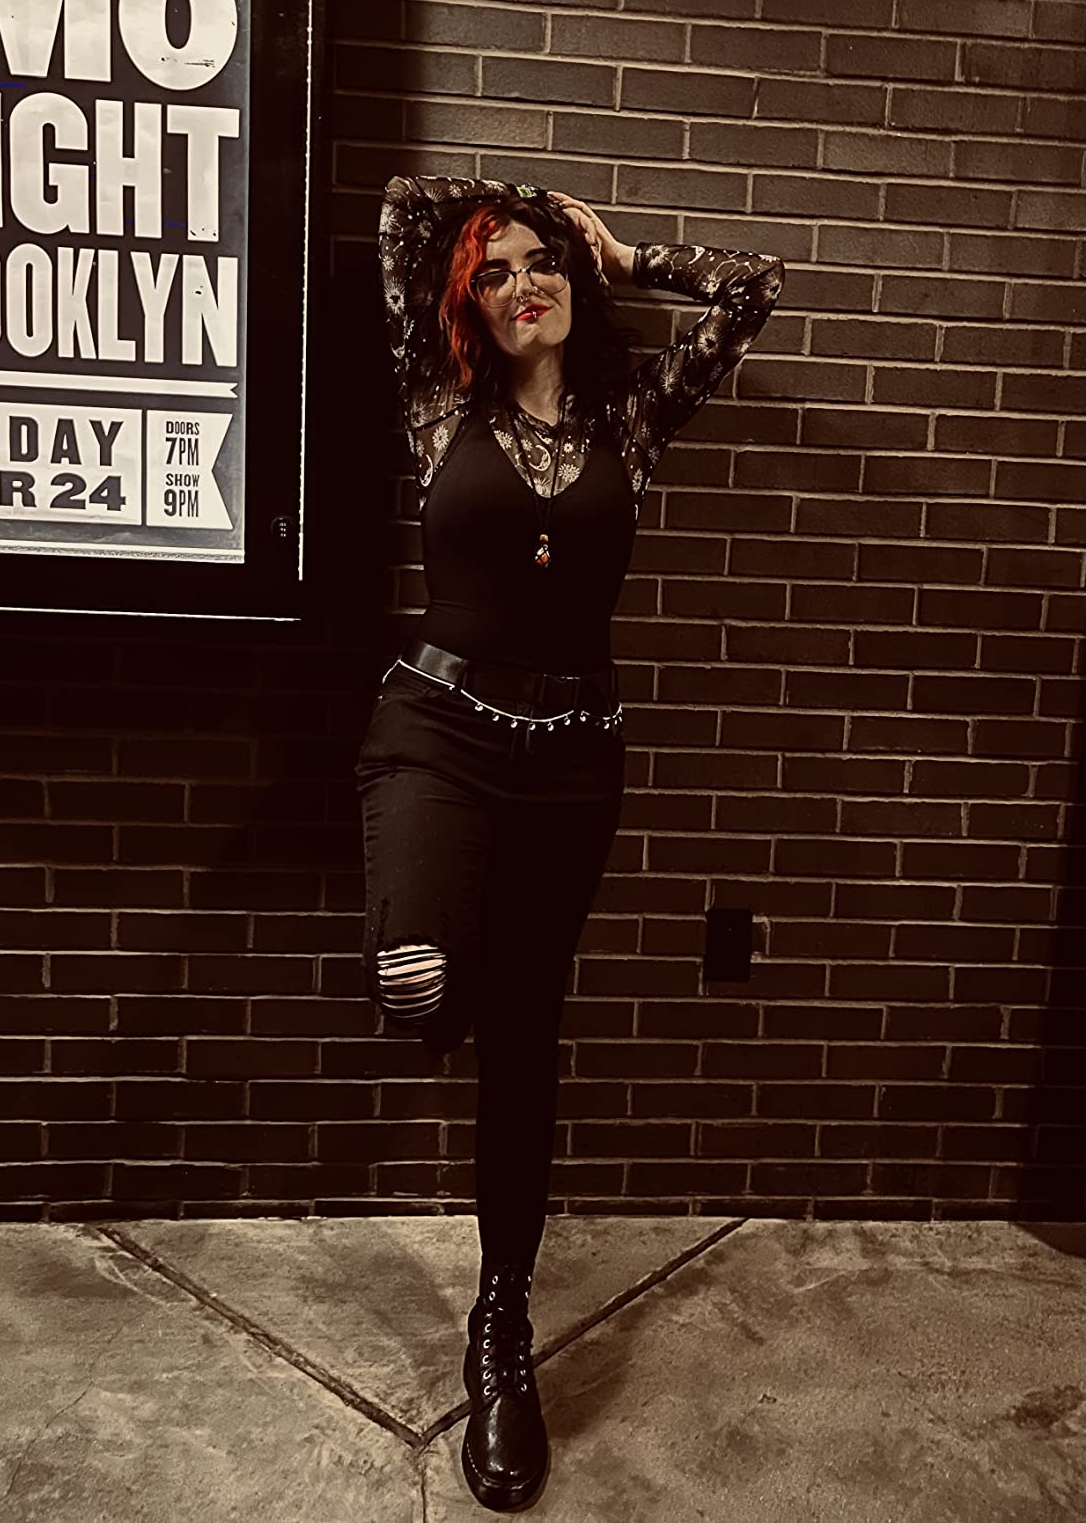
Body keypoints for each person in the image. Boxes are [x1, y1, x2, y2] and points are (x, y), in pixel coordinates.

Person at [354, 174, 784, 1512]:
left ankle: (502, 1329)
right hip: (437, 732)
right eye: (494, 271)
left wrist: (627, 252)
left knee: (526, 1040)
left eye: (542, 263)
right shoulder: (439, 402)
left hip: (573, 763)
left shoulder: (629, 420)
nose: (522, 282)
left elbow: (753, 287)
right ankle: (442, 970)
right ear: (467, 303)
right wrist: (518, 202)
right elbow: (403, 208)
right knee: (420, 985)